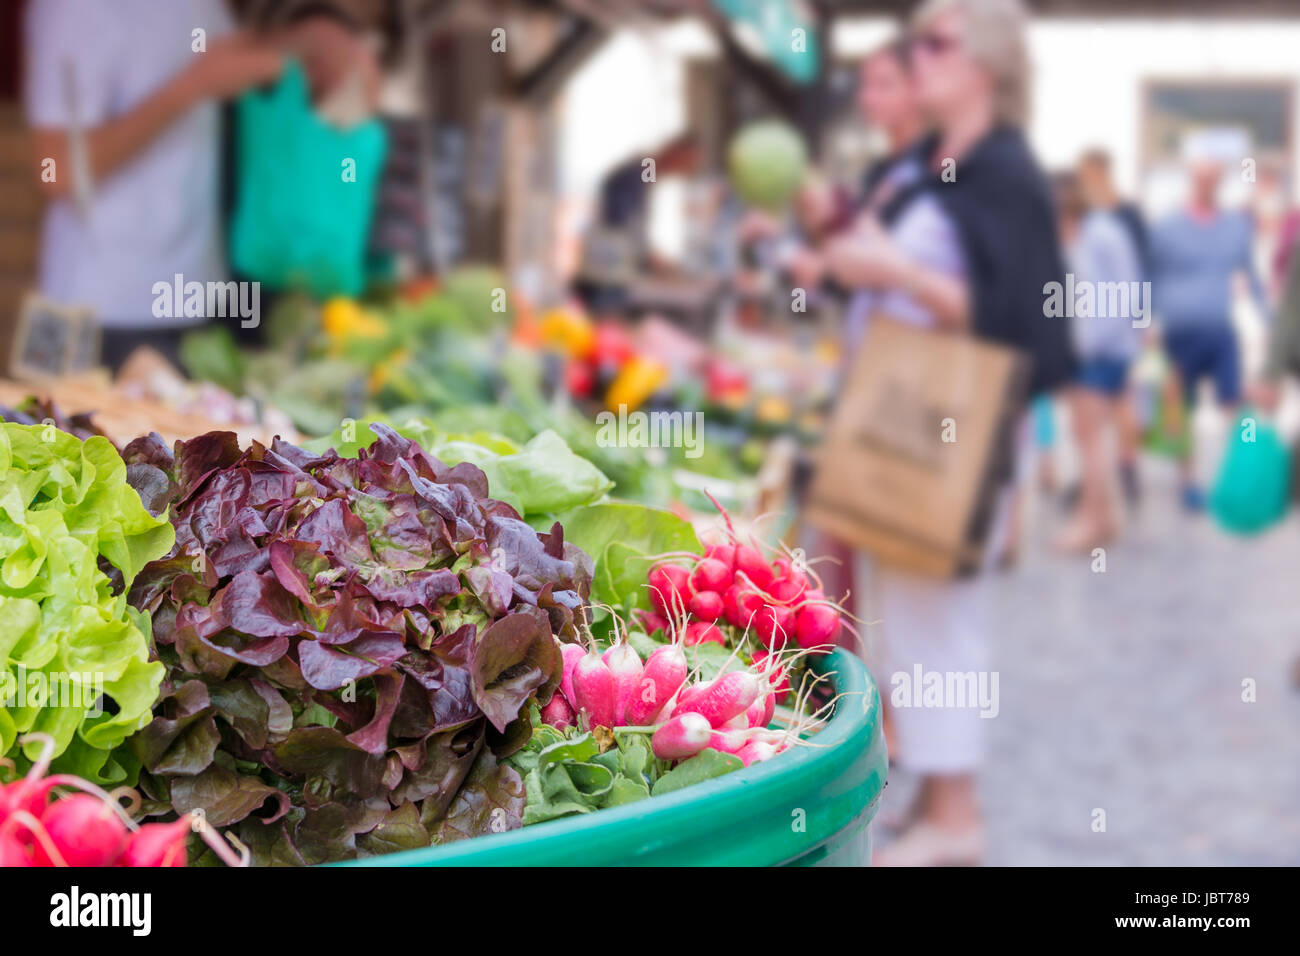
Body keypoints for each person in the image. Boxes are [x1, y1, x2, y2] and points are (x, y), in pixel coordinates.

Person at [823, 0, 1074, 867]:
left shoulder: (1002, 170)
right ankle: (935, 796)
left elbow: (1022, 326)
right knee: (916, 618)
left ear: (986, 66)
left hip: (956, 415)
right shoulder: (947, 165)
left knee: (941, 625)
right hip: (912, 411)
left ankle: (957, 822)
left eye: (937, 42)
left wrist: (891, 271)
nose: (915, 54)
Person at [24, 0, 284, 372]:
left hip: (196, 302)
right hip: (88, 310)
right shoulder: (70, 9)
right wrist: (192, 85)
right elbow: (56, 170)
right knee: (40, 427)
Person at [1149, 150, 1269, 511]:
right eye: (1201, 178)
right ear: (1191, 180)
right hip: (1178, 331)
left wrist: (1269, 323)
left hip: (1219, 328)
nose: (1207, 185)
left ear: (1221, 182)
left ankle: (1244, 474)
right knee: (1179, 410)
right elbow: (1147, 277)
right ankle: (1187, 482)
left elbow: (1253, 277)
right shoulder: (1166, 227)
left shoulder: (1236, 227)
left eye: (1214, 178)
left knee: (1235, 405)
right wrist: (1144, 322)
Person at [1053, 172, 1144, 551]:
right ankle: (1103, 518)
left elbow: (1128, 291)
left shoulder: (1104, 234)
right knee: (1084, 434)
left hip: (1103, 351)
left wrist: (1099, 343)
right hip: (1080, 351)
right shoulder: (1066, 239)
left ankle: (1091, 521)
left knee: (1090, 437)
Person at [1075, 148, 1146, 511]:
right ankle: (1103, 482)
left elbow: (1137, 273)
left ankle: (1115, 476)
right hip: (1098, 330)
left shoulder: (1121, 217)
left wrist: (1141, 323)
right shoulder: (1089, 219)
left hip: (1110, 333)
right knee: (1109, 407)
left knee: (1107, 409)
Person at [574, 133, 704, 316]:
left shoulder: (647, 169)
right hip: (606, 267)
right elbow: (627, 220)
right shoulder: (647, 165)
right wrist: (651, 256)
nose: (687, 170)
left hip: (611, 263)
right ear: (678, 152)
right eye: (688, 163)